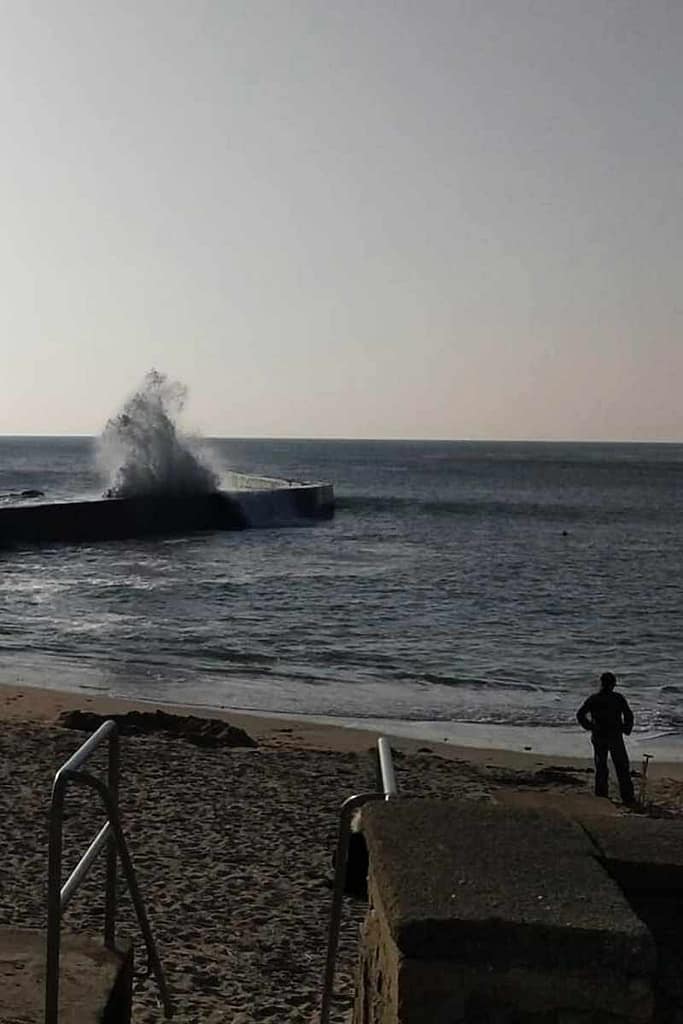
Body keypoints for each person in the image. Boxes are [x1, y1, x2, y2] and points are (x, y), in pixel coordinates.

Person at [576, 671, 636, 805]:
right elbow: (628, 715)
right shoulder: (617, 698)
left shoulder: (595, 698)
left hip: (601, 736)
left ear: (602, 683)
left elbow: (580, 715)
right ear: (613, 684)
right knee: (620, 767)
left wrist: (590, 726)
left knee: (602, 766)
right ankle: (627, 797)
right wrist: (626, 728)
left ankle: (602, 796)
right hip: (612, 736)